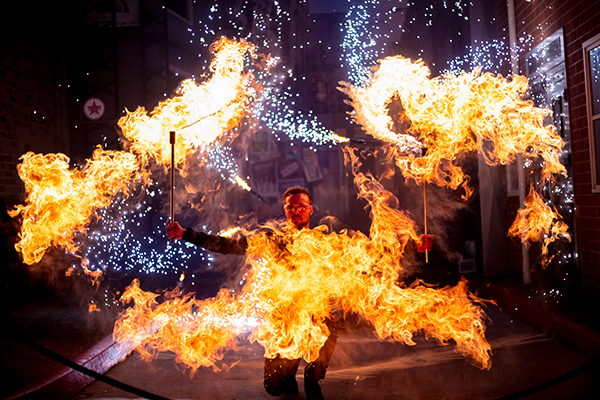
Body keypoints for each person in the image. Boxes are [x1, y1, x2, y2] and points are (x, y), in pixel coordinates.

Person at [167, 186, 433, 400]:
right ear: (285, 211)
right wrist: (186, 234)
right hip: (286, 317)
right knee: (274, 389)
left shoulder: (328, 238)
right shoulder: (273, 240)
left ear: (310, 210)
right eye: (291, 207)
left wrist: (413, 245)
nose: (296, 211)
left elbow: (371, 251)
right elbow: (228, 245)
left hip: (320, 311)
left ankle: (313, 379)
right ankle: (288, 372)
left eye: (301, 207)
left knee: (327, 327)